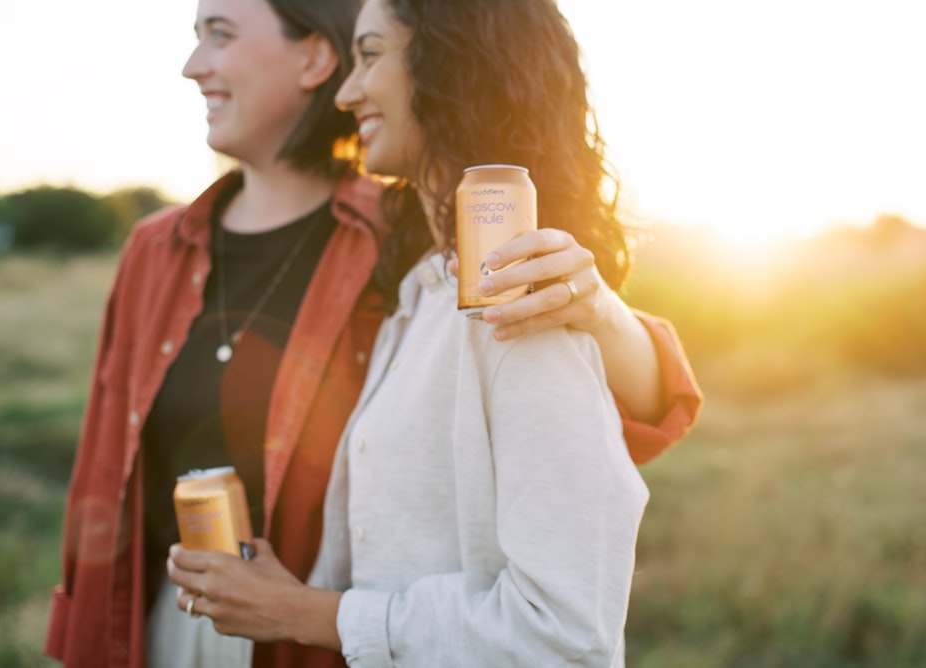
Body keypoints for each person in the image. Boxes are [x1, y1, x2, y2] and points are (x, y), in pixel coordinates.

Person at [45, 0, 701, 666]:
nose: (348, 93)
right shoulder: (410, 281)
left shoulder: (463, 269)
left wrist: (600, 312)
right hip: (183, 618)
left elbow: (619, 394)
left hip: (308, 640)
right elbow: (105, 470)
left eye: (221, 34)